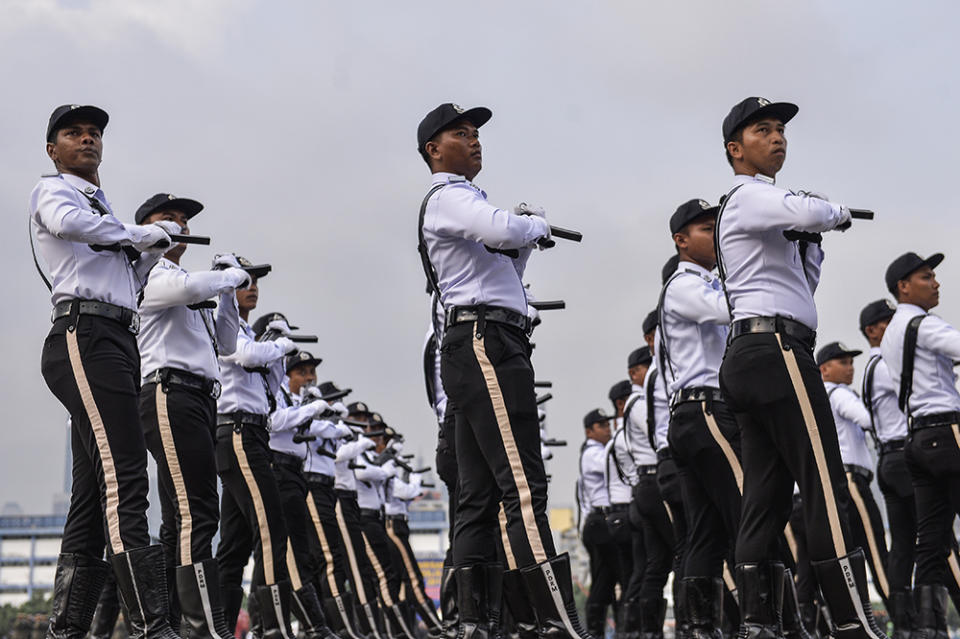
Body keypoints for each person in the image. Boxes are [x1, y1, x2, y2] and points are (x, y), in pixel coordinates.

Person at [417, 102, 589, 638]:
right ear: (433, 150)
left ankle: (474, 622)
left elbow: (503, 266)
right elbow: (499, 229)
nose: (474, 141)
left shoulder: (468, 204)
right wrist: (531, 224)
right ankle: (555, 620)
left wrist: (524, 243)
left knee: (477, 497)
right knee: (523, 485)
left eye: (476, 134)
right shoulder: (450, 197)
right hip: (486, 341)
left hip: (482, 339)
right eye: (460, 134)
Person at [715, 96, 885, 639]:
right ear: (735, 150)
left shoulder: (763, 209)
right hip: (778, 351)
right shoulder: (750, 196)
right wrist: (832, 213)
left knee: (764, 497)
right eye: (763, 130)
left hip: (753, 355)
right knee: (823, 483)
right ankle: (852, 620)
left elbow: (801, 285)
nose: (778, 137)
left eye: (782, 129)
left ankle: (759, 623)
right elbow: (812, 212)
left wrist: (812, 243)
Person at [32, 104, 182, 639]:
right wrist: (140, 233)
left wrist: (150, 250)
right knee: (126, 475)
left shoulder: (102, 208)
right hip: (84, 335)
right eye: (74, 133)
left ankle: (67, 628)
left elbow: (125, 277)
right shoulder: (55, 191)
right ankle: (151, 624)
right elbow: (71, 227)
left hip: (116, 335)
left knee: (95, 492)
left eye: (94, 133)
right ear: (54, 149)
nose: (88, 139)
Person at [135, 192, 251, 639]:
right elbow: (187, 290)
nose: (182, 226)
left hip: (200, 397)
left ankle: (168, 625)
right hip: (170, 392)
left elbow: (225, 343)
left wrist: (228, 289)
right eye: (171, 218)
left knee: (181, 517)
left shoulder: (187, 275)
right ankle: (203, 628)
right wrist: (224, 277)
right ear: (147, 226)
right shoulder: (150, 269)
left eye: (185, 220)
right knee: (197, 511)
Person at [659, 198, 743, 639]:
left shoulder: (701, 283)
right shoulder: (685, 284)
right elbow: (731, 310)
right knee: (749, 513)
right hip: (707, 410)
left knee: (706, 532)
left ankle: (700, 630)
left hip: (694, 416)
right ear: (681, 240)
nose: (715, 236)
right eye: (706, 229)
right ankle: (772, 622)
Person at [214, 269, 302, 639]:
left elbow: (268, 388)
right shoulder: (225, 325)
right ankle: (272, 629)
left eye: (255, 283)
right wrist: (282, 346)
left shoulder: (249, 332)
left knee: (235, 544)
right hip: (237, 431)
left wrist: (276, 355)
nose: (253, 288)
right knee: (271, 532)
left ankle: (218, 628)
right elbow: (247, 357)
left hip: (250, 433)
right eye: (244, 282)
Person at [880, 252, 960, 637]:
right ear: (904, 287)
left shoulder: (894, 330)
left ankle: (929, 629)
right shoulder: (923, 324)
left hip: (916, 439)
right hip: (947, 432)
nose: (937, 283)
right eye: (928, 277)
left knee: (930, 541)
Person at [270, 349, 346, 639]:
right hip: (281, 471)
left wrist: (332, 421)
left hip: (298, 476)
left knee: (304, 557)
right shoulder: (277, 394)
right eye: (302, 372)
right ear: (286, 374)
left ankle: (307, 626)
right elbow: (276, 422)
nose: (309, 378)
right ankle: (318, 626)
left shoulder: (299, 402)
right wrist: (316, 410)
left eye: (312, 373)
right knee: (296, 556)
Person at [816, 342, 890, 610]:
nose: (850, 368)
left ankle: (860, 617)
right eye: (843, 362)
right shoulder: (840, 394)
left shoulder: (818, 398)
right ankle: (905, 620)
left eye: (851, 362)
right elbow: (869, 420)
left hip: (834, 484)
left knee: (851, 554)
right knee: (875, 550)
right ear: (824, 369)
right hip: (853, 481)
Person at [621, 347, 672, 639]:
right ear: (635, 373)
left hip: (643, 485)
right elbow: (658, 435)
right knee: (682, 550)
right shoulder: (639, 403)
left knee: (656, 563)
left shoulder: (633, 404)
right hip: (654, 481)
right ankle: (693, 626)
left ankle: (645, 632)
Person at [577, 410, 618, 638]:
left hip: (598, 522)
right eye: (601, 426)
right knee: (617, 575)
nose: (607, 429)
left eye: (607, 424)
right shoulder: (593, 453)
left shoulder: (598, 451)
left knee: (606, 579)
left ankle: (597, 632)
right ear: (589, 431)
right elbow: (615, 463)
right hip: (600, 521)